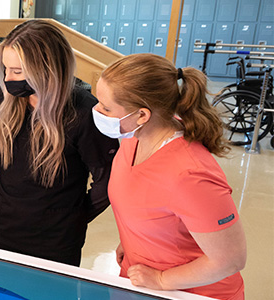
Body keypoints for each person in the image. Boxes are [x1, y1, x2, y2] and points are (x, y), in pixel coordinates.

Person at [94, 53, 246, 299]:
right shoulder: (133, 139)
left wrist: (162, 279)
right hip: (140, 280)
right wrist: (134, 242)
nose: (96, 110)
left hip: (187, 291)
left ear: (142, 115)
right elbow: (148, 206)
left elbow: (230, 260)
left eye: (106, 107)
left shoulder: (189, 174)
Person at [0, 20, 119, 266]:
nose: (8, 79)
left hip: (56, 236)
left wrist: (77, 214)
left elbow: (108, 178)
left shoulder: (83, 112)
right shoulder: (3, 97)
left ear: (47, 68)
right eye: (6, 70)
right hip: (3, 222)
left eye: (17, 72)